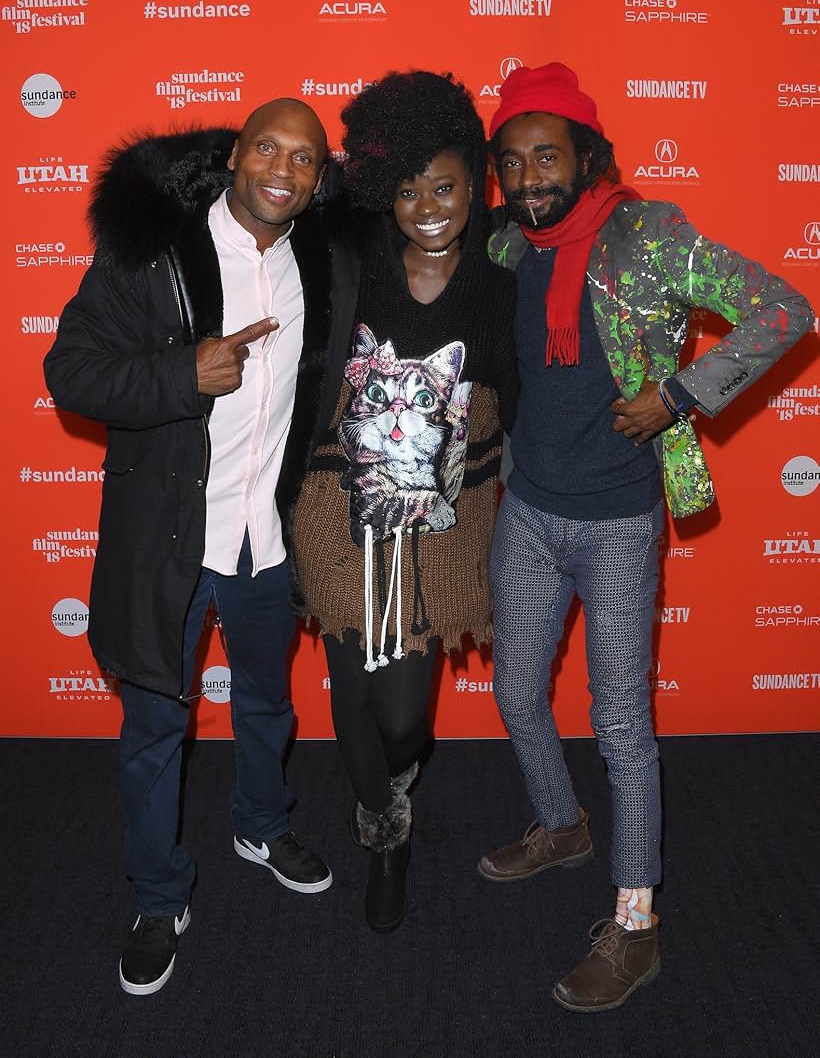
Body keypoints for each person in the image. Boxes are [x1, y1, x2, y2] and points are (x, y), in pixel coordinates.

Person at [478, 62, 814, 1012]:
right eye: (513, 160)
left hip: (621, 518)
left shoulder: (650, 235)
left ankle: (636, 926)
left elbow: (787, 308)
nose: (532, 175)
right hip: (531, 510)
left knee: (623, 725)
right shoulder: (511, 247)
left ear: (588, 153)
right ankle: (560, 823)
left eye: (549, 155)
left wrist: (677, 393)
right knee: (512, 689)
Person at [44, 99, 359, 995]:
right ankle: (156, 894)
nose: (283, 170)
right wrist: (182, 374)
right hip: (169, 543)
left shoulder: (323, 262)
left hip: (266, 540)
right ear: (235, 155)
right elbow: (68, 369)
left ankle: (261, 822)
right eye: (268, 147)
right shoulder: (154, 252)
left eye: (304, 159)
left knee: (267, 701)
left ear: (317, 177)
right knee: (154, 730)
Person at [292, 71, 518, 932]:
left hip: (446, 523)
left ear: (476, 183)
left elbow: (528, 391)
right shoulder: (351, 262)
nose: (427, 204)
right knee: (350, 670)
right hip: (337, 505)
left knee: (404, 718)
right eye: (408, 186)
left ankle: (393, 779)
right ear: (381, 189)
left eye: (447, 184)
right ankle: (382, 835)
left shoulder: (503, 277)